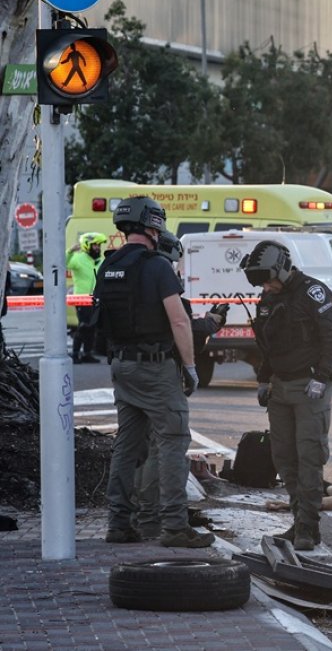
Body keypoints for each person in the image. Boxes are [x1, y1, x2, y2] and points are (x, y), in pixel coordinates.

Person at [94, 196, 212, 548]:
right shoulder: (157, 266)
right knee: (174, 440)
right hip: (154, 367)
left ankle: (118, 524)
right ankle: (175, 526)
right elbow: (178, 319)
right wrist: (190, 367)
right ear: (153, 224)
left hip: (121, 366)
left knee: (126, 447)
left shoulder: (109, 265)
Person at [242, 240, 332, 551]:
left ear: (283, 270)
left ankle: (307, 527)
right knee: (284, 458)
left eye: (269, 279)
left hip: (309, 386)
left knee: (309, 456)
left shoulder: (313, 292)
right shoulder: (268, 297)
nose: (267, 287)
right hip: (280, 386)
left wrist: (323, 375)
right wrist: (263, 379)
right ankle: (298, 518)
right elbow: (267, 344)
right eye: (262, 282)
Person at [131, 230, 228, 540]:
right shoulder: (162, 280)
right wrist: (212, 323)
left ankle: (142, 519)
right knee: (169, 444)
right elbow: (183, 325)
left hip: (131, 373)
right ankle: (172, 524)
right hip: (161, 374)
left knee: (144, 448)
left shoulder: (134, 280)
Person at [67, 232, 105, 363]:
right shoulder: (78, 258)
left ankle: (87, 353)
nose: (98, 248)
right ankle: (75, 353)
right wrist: (70, 251)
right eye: (95, 245)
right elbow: (64, 264)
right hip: (82, 299)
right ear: (87, 245)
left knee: (92, 328)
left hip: (96, 299)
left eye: (99, 245)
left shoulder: (99, 261)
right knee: (83, 326)